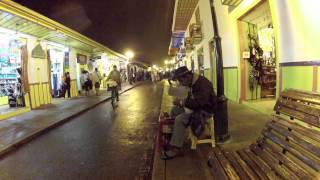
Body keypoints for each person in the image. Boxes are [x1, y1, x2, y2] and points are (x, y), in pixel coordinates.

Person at [161, 66, 217, 160]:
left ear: (187, 77)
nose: (180, 83)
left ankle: (177, 148)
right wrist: (181, 101)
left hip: (204, 111)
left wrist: (182, 102)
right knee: (175, 109)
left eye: (180, 81)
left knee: (180, 119)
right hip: (197, 108)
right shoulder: (193, 83)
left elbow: (199, 103)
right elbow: (192, 99)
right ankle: (175, 137)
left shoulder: (202, 84)